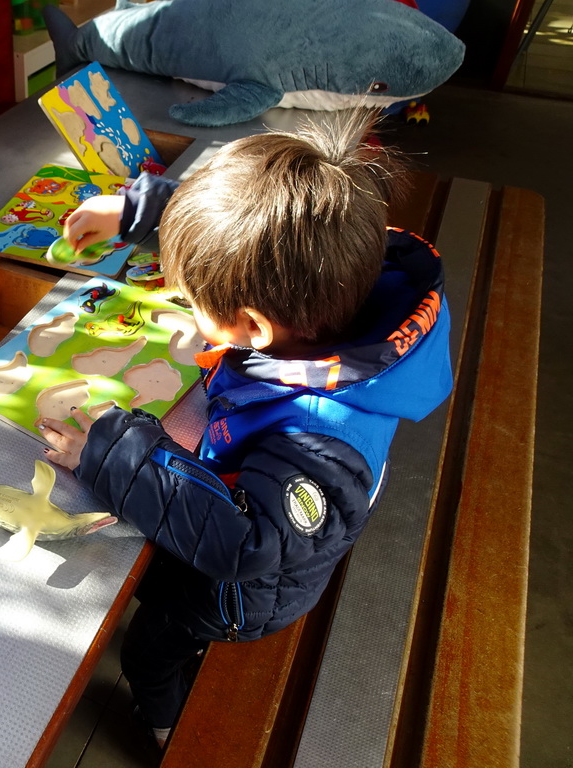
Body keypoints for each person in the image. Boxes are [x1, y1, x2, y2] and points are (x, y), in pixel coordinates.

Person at [34, 111, 453, 749]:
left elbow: (242, 541)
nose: (186, 304)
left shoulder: (319, 442)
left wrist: (117, 454)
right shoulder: (336, 263)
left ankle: (167, 722)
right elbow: (245, 234)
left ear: (252, 328)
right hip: (258, 515)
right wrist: (134, 212)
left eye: (193, 301)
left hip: (245, 592)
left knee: (151, 642)